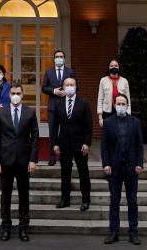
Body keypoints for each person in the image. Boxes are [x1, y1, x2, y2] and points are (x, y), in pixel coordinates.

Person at [0, 81, 39, 242]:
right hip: (5, 160)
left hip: (24, 161)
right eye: (13, 93)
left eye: (18, 93)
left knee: (23, 196)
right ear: (9, 95)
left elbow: (36, 137)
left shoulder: (30, 113)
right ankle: (6, 228)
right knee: (5, 196)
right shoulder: (1, 113)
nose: (15, 96)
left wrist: (33, 160)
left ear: (23, 94)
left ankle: (23, 228)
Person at [101, 93, 143, 246]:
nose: (120, 106)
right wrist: (106, 164)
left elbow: (139, 145)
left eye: (123, 103)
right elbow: (104, 145)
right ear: (114, 105)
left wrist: (140, 164)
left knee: (132, 201)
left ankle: (133, 232)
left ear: (127, 104)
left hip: (131, 168)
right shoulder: (108, 122)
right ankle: (114, 232)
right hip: (114, 168)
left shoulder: (135, 122)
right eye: (118, 104)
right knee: (114, 201)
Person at [51, 76, 92, 211]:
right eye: (67, 84)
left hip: (80, 144)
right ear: (63, 87)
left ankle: (85, 200)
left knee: (83, 172)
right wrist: (55, 143)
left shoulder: (84, 103)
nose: (69, 87)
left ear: (75, 86)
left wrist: (87, 143)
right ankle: (65, 199)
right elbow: (54, 125)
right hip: (64, 144)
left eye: (71, 84)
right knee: (65, 173)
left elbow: (89, 126)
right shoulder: (58, 104)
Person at [41, 49, 75, 166]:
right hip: (53, 107)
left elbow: (76, 87)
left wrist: (68, 91)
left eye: (61, 56)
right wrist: (54, 91)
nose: (59, 58)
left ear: (64, 59)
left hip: (67, 106)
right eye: (57, 56)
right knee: (53, 132)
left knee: (66, 132)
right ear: (54, 58)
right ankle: (52, 156)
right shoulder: (49, 72)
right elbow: (44, 88)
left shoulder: (70, 72)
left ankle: (65, 156)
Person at [97, 59, 131, 128]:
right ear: (108, 68)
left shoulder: (124, 81)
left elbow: (128, 99)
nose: (114, 67)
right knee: (108, 133)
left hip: (121, 111)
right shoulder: (103, 80)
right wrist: (100, 117)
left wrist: (128, 114)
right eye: (111, 66)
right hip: (107, 112)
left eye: (116, 66)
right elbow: (100, 99)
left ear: (119, 67)